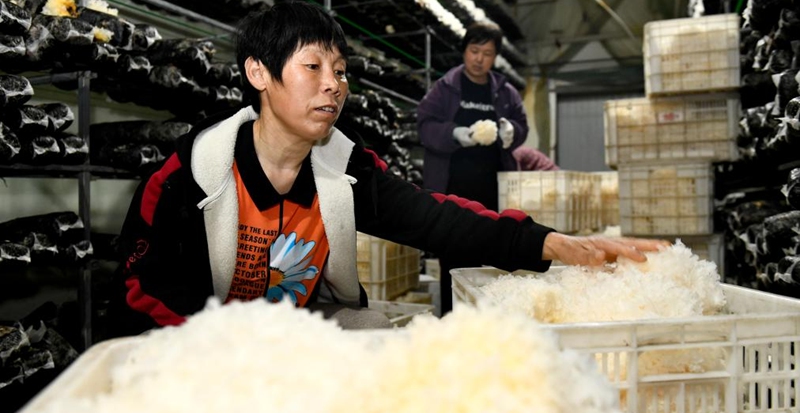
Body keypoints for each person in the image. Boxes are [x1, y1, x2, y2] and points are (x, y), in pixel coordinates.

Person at [109, 1, 667, 337]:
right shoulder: (195, 176)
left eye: (341, 69)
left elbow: (438, 218)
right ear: (259, 73)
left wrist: (557, 245)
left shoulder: (341, 170)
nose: (334, 84)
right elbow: (137, 292)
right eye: (312, 66)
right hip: (201, 349)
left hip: (293, 340)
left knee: (374, 330)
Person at [415, 21, 530, 315]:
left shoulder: (505, 92)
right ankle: (454, 320)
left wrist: (511, 132)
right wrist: (454, 133)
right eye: (474, 50)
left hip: (492, 191)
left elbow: (522, 125)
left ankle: (487, 322)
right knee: (452, 256)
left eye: (487, 53)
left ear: (495, 57)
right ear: (464, 50)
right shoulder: (446, 88)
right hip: (451, 190)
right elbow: (424, 125)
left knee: (491, 257)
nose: (479, 59)